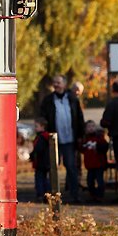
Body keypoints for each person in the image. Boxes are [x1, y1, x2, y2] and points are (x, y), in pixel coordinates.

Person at [39, 74, 86, 204]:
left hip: (70, 140)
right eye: (54, 82)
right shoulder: (48, 100)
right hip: (53, 140)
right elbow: (43, 118)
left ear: (65, 84)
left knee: (71, 167)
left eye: (58, 82)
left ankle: (75, 195)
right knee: (52, 168)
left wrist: (80, 136)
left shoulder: (72, 99)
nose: (56, 85)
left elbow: (79, 118)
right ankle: (51, 196)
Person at [81, 120, 109, 202]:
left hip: (99, 164)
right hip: (89, 165)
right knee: (90, 182)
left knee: (100, 181)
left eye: (92, 126)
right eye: (88, 127)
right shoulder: (85, 139)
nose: (91, 128)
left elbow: (104, 147)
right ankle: (93, 195)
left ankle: (100, 195)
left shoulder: (99, 137)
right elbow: (82, 149)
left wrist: (97, 147)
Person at [30, 117, 53, 203]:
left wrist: (32, 155)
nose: (35, 128)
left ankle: (41, 194)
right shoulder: (45, 137)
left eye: (36, 126)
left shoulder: (41, 137)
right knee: (45, 179)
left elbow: (38, 149)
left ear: (42, 126)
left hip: (41, 163)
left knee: (40, 179)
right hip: (45, 162)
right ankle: (46, 194)